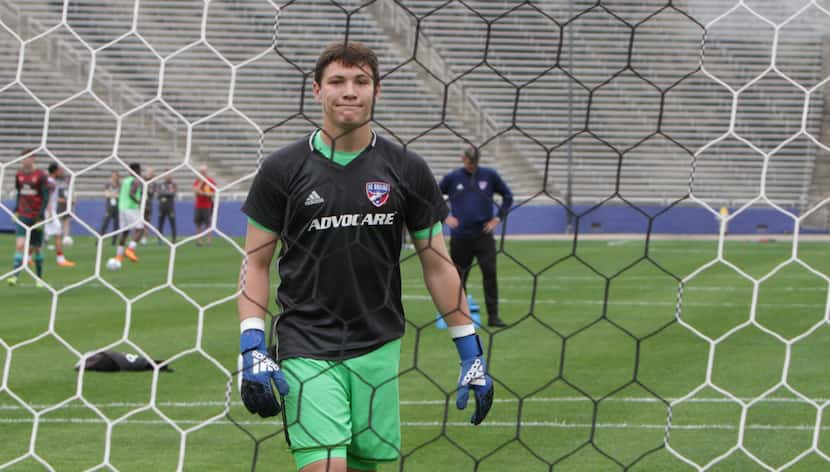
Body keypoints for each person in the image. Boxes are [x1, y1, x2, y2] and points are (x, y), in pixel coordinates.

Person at [237, 41, 494, 472]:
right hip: (307, 342)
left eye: (361, 81)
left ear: (378, 90)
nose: (350, 91)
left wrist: (471, 352)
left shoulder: (407, 169)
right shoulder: (282, 169)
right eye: (337, 81)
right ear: (316, 91)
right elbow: (255, 263)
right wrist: (252, 343)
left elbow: (438, 266)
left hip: (378, 343)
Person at [439, 146, 513, 328]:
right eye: (469, 161)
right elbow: (433, 195)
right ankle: (459, 317)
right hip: (460, 236)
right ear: (462, 158)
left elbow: (508, 196)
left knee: (490, 273)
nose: (471, 165)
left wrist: (497, 219)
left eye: (474, 161)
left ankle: (493, 316)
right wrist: (445, 216)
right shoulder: (453, 177)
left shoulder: (489, 175)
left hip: (483, 235)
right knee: (458, 277)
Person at [7, 149, 49, 286]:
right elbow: (19, 193)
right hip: (23, 215)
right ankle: (14, 276)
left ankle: (39, 278)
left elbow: (45, 196)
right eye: (22, 158)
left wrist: (41, 215)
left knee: (36, 248)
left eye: (27, 158)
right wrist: (16, 210)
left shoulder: (41, 175)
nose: (24, 161)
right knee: (20, 245)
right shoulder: (18, 174)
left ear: (33, 159)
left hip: (36, 216)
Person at [44, 163, 76, 267]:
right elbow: (47, 197)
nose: (62, 171)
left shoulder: (52, 181)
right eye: (60, 170)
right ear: (55, 171)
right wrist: (49, 212)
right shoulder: (50, 182)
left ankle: (28, 257)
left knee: (39, 235)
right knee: (57, 232)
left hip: (50, 210)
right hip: (49, 211)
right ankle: (60, 260)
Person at [114, 162, 143, 263]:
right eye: (139, 170)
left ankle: (119, 256)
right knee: (140, 229)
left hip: (122, 208)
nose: (140, 172)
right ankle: (130, 249)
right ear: (136, 170)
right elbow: (131, 193)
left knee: (125, 232)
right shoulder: (136, 181)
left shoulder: (125, 181)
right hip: (131, 208)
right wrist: (139, 202)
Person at [192, 164, 216, 246]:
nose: (202, 173)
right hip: (198, 205)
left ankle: (209, 240)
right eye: (201, 172)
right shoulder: (198, 181)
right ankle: (199, 240)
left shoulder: (210, 181)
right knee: (198, 224)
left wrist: (202, 193)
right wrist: (201, 183)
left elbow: (213, 193)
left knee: (208, 224)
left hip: (207, 206)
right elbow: (195, 191)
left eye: (204, 172)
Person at [99, 170, 120, 245]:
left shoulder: (120, 184)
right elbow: (106, 194)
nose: (114, 177)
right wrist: (115, 194)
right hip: (109, 207)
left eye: (115, 176)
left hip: (118, 207)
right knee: (105, 223)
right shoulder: (108, 184)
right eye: (113, 176)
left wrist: (112, 194)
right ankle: (99, 240)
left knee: (116, 225)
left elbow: (120, 195)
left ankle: (114, 241)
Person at [156, 174, 178, 243]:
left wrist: (164, 194)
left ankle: (174, 239)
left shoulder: (173, 185)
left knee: (172, 223)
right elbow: (158, 194)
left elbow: (173, 193)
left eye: (169, 176)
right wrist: (166, 193)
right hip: (162, 207)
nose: (168, 178)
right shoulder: (161, 185)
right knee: (160, 223)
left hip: (170, 207)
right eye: (167, 176)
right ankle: (159, 238)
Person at [140, 166, 156, 245]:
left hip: (148, 204)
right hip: (140, 204)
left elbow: (152, 193)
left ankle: (144, 238)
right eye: (149, 172)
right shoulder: (142, 181)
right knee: (139, 222)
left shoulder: (153, 183)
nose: (150, 174)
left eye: (151, 172)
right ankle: (137, 237)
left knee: (147, 222)